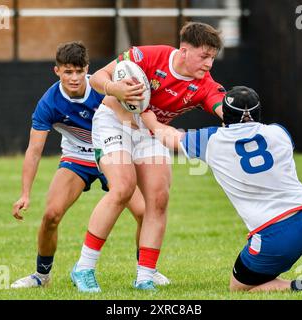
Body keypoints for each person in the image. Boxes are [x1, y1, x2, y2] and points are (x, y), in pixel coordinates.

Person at [140, 86, 302, 291]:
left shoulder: (211, 140)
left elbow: (169, 137)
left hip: (274, 232)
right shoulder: (278, 132)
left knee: (240, 287)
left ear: (225, 115)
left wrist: (148, 116)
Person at [71, 22, 227, 291]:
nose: (209, 64)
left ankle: (145, 276)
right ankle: (83, 268)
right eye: (204, 56)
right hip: (114, 122)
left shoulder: (204, 85)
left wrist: (240, 118)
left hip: (151, 132)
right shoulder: (150, 56)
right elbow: (96, 78)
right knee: (122, 187)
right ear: (184, 50)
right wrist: (114, 88)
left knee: (159, 198)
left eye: (212, 57)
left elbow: (223, 107)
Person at [10, 41, 169, 289]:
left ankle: (146, 270)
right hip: (78, 158)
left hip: (113, 152)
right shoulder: (49, 103)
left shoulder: (104, 88)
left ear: (87, 69)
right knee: (51, 215)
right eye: (67, 72)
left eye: (79, 71)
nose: (74, 78)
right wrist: (25, 193)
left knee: (143, 212)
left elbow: (131, 120)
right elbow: (34, 150)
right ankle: (41, 276)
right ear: (57, 71)